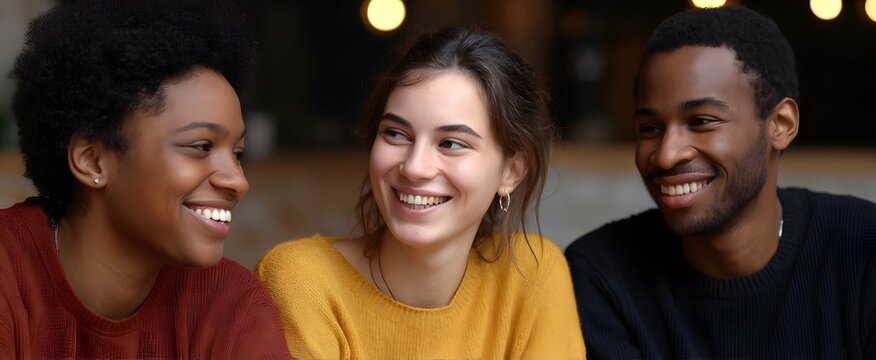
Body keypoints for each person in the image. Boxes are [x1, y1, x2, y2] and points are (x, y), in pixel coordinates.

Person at [565, 5, 876, 359]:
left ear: (781, 124)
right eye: (650, 129)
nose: (667, 155)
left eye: (701, 121)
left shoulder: (862, 249)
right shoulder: (603, 275)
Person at [257, 26, 586, 359]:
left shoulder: (532, 275)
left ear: (510, 172)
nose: (414, 167)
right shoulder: (303, 281)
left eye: (451, 144)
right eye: (397, 134)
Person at [0, 0, 291, 358]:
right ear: (92, 161)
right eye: (201, 146)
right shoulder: (9, 273)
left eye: (237, 153)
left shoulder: (232, 305)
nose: (238, 181)